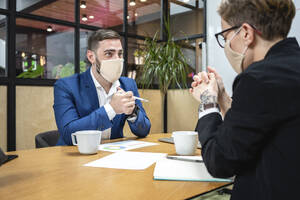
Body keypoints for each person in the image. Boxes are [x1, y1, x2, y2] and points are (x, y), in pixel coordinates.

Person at [190, 0, 300, 199]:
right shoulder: (289, 68)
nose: (227, 46)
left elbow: (220, 161)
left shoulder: (259, 78)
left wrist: (207, 100)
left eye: (226, 37)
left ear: (246, 33)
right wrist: (222, 97)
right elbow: (255, 130)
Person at [53, 29, 151, 145]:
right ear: (91, 57)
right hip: (77, 155)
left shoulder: (128, 84)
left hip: (113, 155)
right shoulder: (66, 86)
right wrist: (111, 109)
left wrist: (133, 112)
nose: (117, 59)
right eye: (109, 53)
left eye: (120, 54)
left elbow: (144, 131)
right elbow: (69, 134)